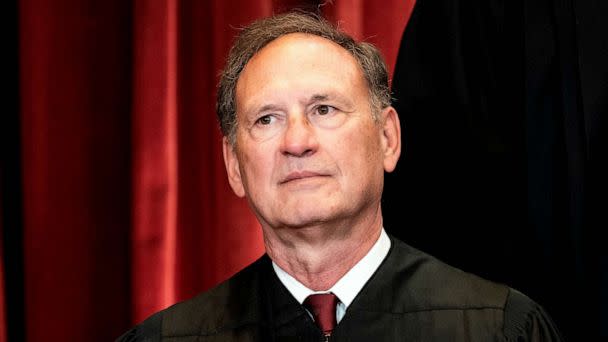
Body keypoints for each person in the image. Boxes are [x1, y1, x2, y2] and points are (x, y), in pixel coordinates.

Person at [117, 11, 563, 341]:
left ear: (388, 138)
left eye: (323, 109)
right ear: (234, 165)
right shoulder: (168, 339)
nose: (297, 141)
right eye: (267, 119)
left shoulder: (499, 327)